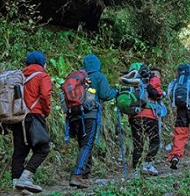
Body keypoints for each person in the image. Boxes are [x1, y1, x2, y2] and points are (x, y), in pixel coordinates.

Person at [69, 54, 118, 188]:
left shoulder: (79, 76)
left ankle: (84, 175)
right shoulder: (98, 76)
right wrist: (116, 92)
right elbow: (105, 94)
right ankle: (77, 175)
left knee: (83, 145)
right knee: (87, 144)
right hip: (90, 115)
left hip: (75, 115)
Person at [10, 51, 52, 193]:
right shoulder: (42, 76)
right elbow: (45, 95)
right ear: (42, 63)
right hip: (34, 116)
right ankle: (26, 177)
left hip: (18, 117)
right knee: (43, 148)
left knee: (20, 151)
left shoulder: (19, 76)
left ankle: (17, 185)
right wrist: (46, 111)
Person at [124, 63, 164, 176]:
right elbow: (155, 93)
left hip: (134, 115)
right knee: (155, 141)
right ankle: (148, 164)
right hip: (150, 115)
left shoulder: (130, 81)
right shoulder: (151, 80)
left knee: (138, 143)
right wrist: (161, 93)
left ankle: (136, 170)